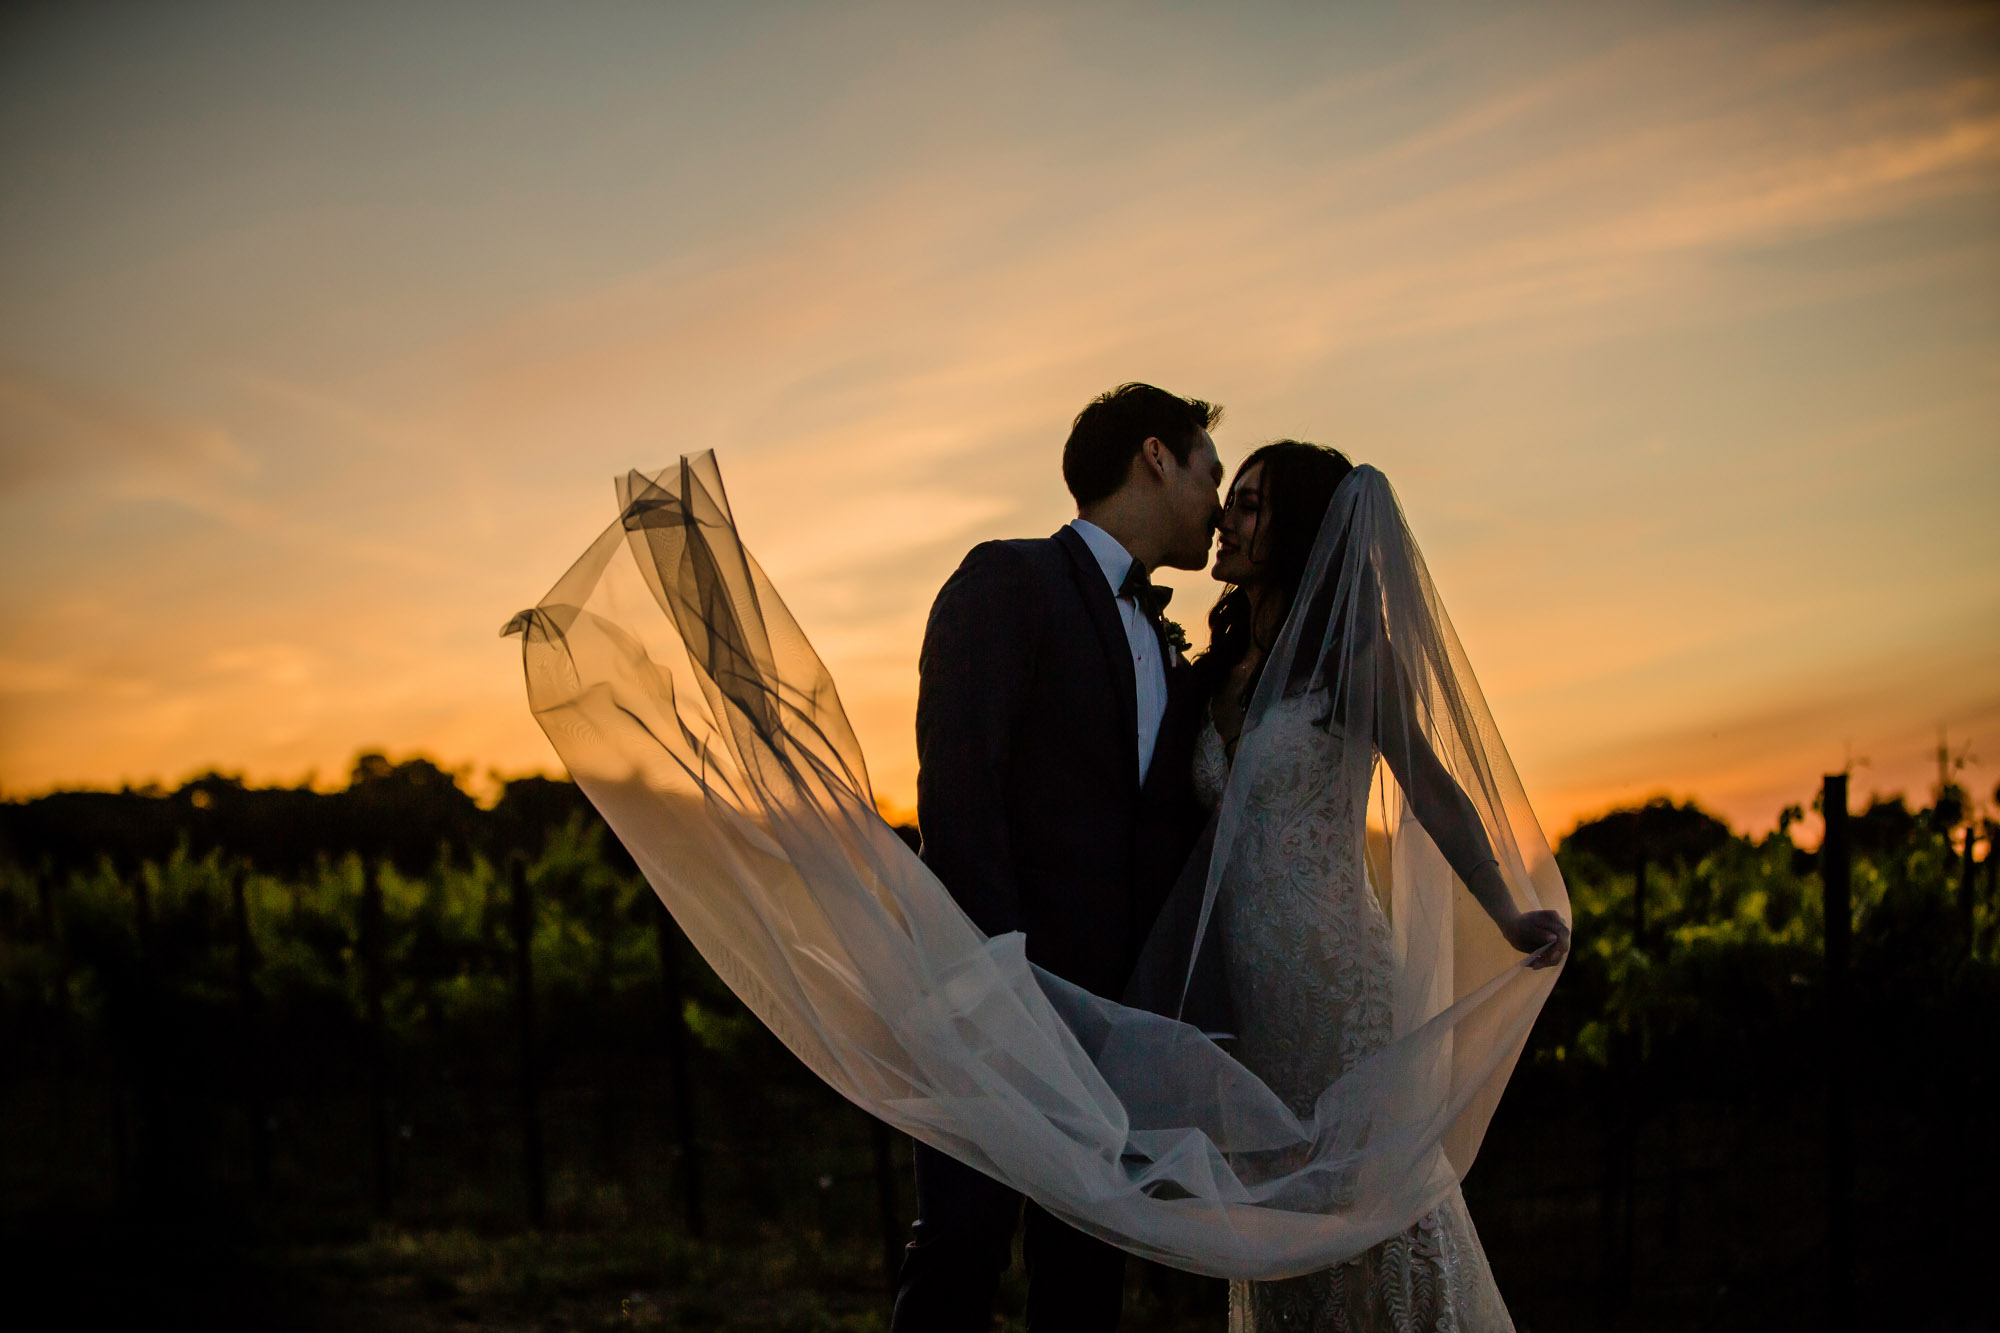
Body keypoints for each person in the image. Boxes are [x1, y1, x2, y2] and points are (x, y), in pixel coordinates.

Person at [1186, 440, 1569, 1332]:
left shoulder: (1348, 660)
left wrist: (1508, 909)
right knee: (1274, 1212)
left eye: (1249, 503)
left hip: (1336, 980)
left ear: (1300, 531)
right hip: (1249, 998)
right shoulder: (1217, 672)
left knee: (1366, 1212)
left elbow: (1434, 787)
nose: (1226, 519)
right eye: (1230, 497)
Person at [891, 382, 1224, 1332]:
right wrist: (997, 974)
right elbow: (959, 786)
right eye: (1212, 471)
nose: (1215, 499)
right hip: (999, 997)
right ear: (1157, 456)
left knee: (1085, 1282)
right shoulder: (1008, 579)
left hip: (1115, 1026)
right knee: (962, 1250)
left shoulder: (1169, 649)